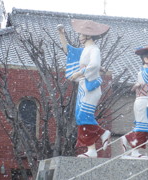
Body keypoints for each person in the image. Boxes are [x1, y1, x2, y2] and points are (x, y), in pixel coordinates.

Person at [57, 19, 111, 158]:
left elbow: (93, 65)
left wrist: (79, 73)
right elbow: (68, 51)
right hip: (83, 87)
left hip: (90, 86)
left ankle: (102, 134)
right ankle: (91, 148)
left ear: (88, 35)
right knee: (80, 117)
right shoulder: (85, 50)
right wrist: (61, 34)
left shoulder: (94, 49)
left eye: (81, 34)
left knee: (84, 115)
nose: (79, 36)